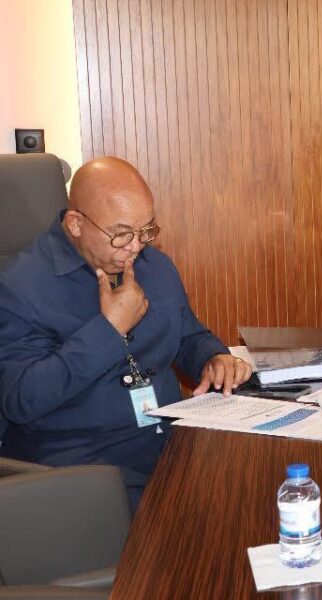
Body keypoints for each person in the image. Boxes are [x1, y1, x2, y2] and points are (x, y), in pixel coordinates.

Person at [0, 157, 250, 510]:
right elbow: (22, 399)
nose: (135, 247)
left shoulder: (154, 266)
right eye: (121, 234)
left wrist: (212, 357)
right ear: (75, 224)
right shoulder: (18, 287)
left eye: (145, 230)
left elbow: (187, 335)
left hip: (168, 444)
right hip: (83, 468)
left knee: (254, 489)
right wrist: (109, 330)